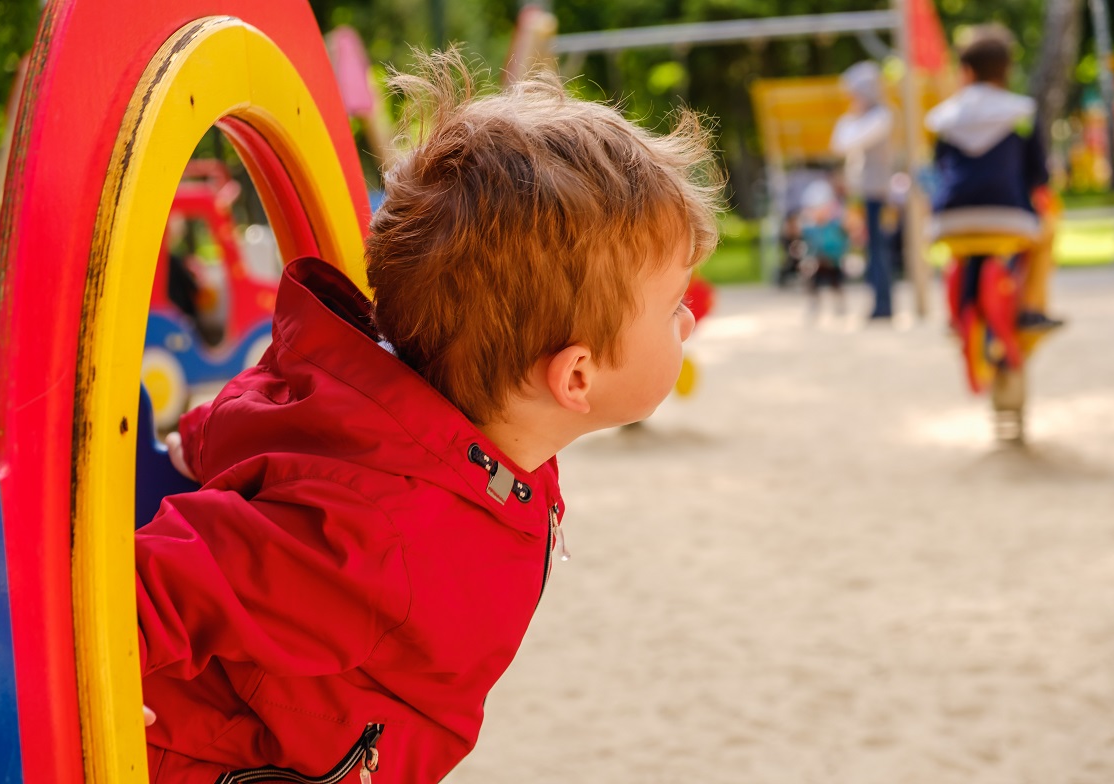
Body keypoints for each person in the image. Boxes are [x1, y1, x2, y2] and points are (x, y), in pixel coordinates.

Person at [138, 51, 722, 783]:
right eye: (674, 309)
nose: (687, 325)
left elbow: (250, 430)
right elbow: (160, 579)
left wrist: (189, 447)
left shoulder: (413, 421)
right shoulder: (379, 531)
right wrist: (97, 681)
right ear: (576, 376)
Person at [925, 24, 1062, 331]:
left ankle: (958, 307)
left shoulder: (944, 117)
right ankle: (1030, 309)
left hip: (949, 219)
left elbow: (938, 169)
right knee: (1047, 228)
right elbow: (1039, 173)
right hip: (1009, 216)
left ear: (967, 70)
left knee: (961, 246)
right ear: (1005, 70)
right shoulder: (1021, 113)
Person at [830, 60, 895, 319]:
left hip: (878, 193)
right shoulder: (869, 118)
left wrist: (853, 116)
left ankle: (884, 304)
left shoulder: (881, 116)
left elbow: (844, 142)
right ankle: (878, 302)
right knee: (872, 249)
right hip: (867, 193)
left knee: (879, 249)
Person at [798, 179, 848, 317]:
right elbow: (806, 241)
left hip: (832, 261)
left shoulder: (834, 227)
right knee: (812, 281)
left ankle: (840, 304)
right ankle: (814, 304)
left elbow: (841, 243)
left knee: (835, 283)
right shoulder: (811, 228)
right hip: (818, 261)